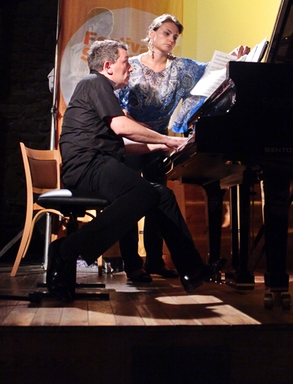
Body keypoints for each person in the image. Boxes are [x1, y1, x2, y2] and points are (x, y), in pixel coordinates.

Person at [48, 38, 214, 301]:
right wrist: (167, 138)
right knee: (144, 193)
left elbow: (119, 144)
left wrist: (162, 146)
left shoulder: (98, 88)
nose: (131, 68)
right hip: (87, 167)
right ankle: (67, 249)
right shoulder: (94, 83)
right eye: (126, 62)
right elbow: (122, 127)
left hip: (99, 163)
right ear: (108, 66)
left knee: (162, 194)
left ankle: (191, 269)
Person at [116, 14, 249, 279]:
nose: (171, 39)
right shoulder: (131, 66)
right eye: (166, 33)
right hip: (130, 138)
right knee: (128, 199)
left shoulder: (183, 68)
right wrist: (138, 131)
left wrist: (236, 58)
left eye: (175, 36)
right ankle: (132, 264)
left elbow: (214, 72)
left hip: (159, 141)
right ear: (152, 33)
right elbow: (118, 105)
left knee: (157, 199)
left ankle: (155, 260)